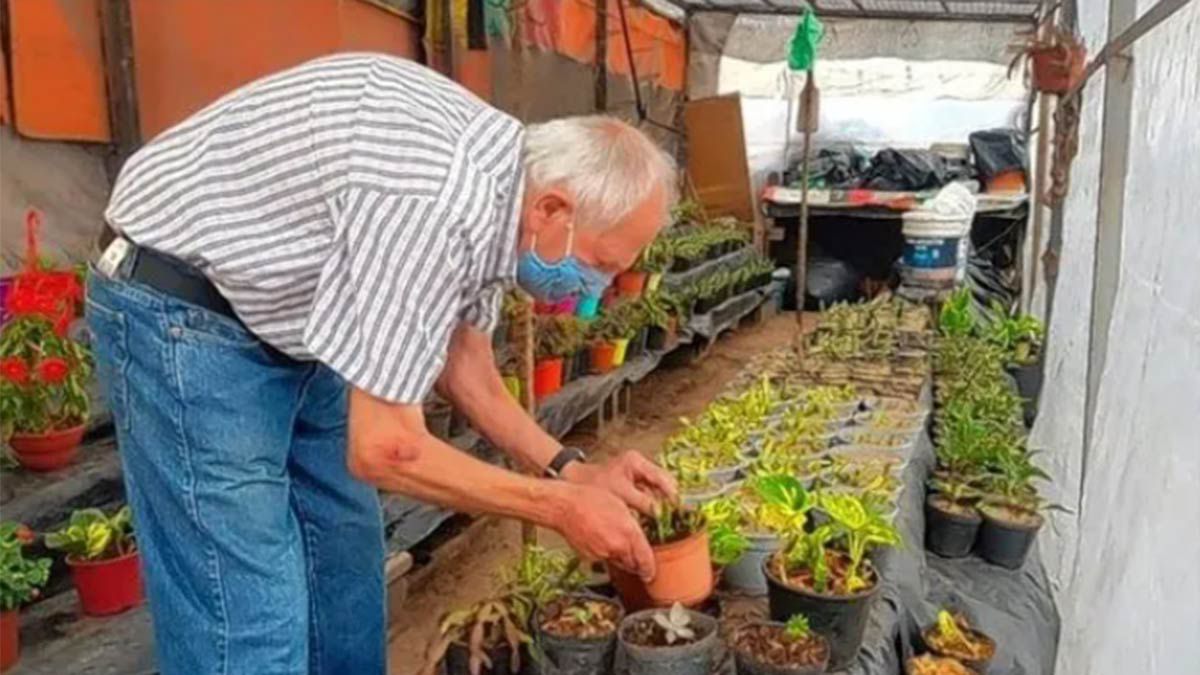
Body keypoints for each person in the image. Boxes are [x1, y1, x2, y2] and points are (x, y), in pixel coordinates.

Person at [86, 53, 677, 675]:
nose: (597, 287)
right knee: (250, 611)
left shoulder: (505, 182)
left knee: (345, 565)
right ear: (553, 211)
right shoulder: (432, 202)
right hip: (180, 306)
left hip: (290, 317)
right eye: (602, 263)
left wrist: (569, 471)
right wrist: (556, 508)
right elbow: (386, 449)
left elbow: (463, 361)